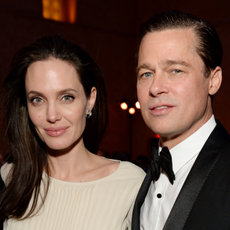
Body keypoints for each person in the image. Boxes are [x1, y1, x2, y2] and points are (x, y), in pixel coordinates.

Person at [0, 35, 145, 230]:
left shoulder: (129, 183)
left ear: (90, 99)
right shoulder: (11, 175)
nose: (51, 115)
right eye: (37, 99)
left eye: (66, 97)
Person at [132, 10, 230, 230]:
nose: (155, 87)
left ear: (213, 81)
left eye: (175, 70)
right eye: (146, 74)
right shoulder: (134, 184)